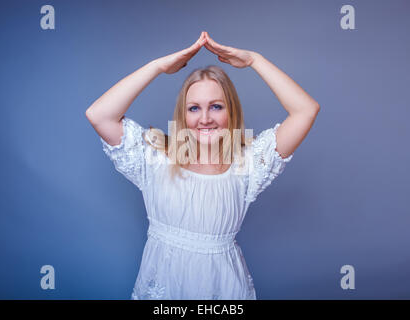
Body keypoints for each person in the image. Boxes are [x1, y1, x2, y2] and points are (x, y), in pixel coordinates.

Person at [85, 31, 320, 299]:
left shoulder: (247, 164)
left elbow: (306, 110)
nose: (205, 118)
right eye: (194, 108)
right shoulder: (156, 158)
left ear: (231, 111)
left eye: (216, 106)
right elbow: (99, 114)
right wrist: (157, 67)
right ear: (182, 114)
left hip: (224, 292)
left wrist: (255, 59)